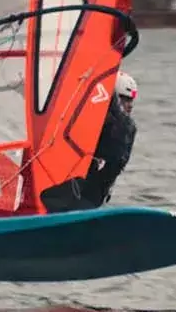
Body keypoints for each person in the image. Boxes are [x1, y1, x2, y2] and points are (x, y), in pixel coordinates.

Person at [38, 71, 139, 212]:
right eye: (125, 99)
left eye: (131, 100)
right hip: (76, 193)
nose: (129, 105)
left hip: (90, 196)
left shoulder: (125, 126)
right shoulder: (96, 120)